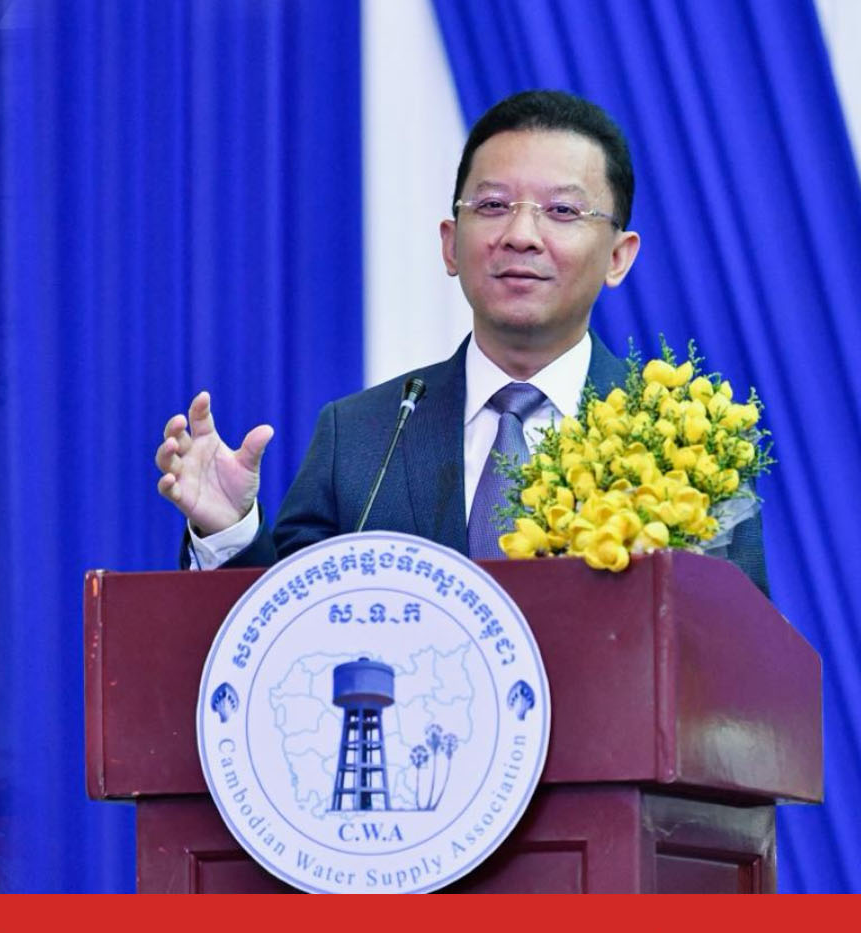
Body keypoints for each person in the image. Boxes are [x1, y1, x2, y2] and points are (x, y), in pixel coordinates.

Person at [155, 90, 767, 593]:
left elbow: (735, 664)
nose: (521, 235)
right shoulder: (360, 437)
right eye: (493, 205)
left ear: (618, 257)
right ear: (451, 244)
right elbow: (286, 627)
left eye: (562, 212)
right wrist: (231, 531)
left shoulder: (683, 445)